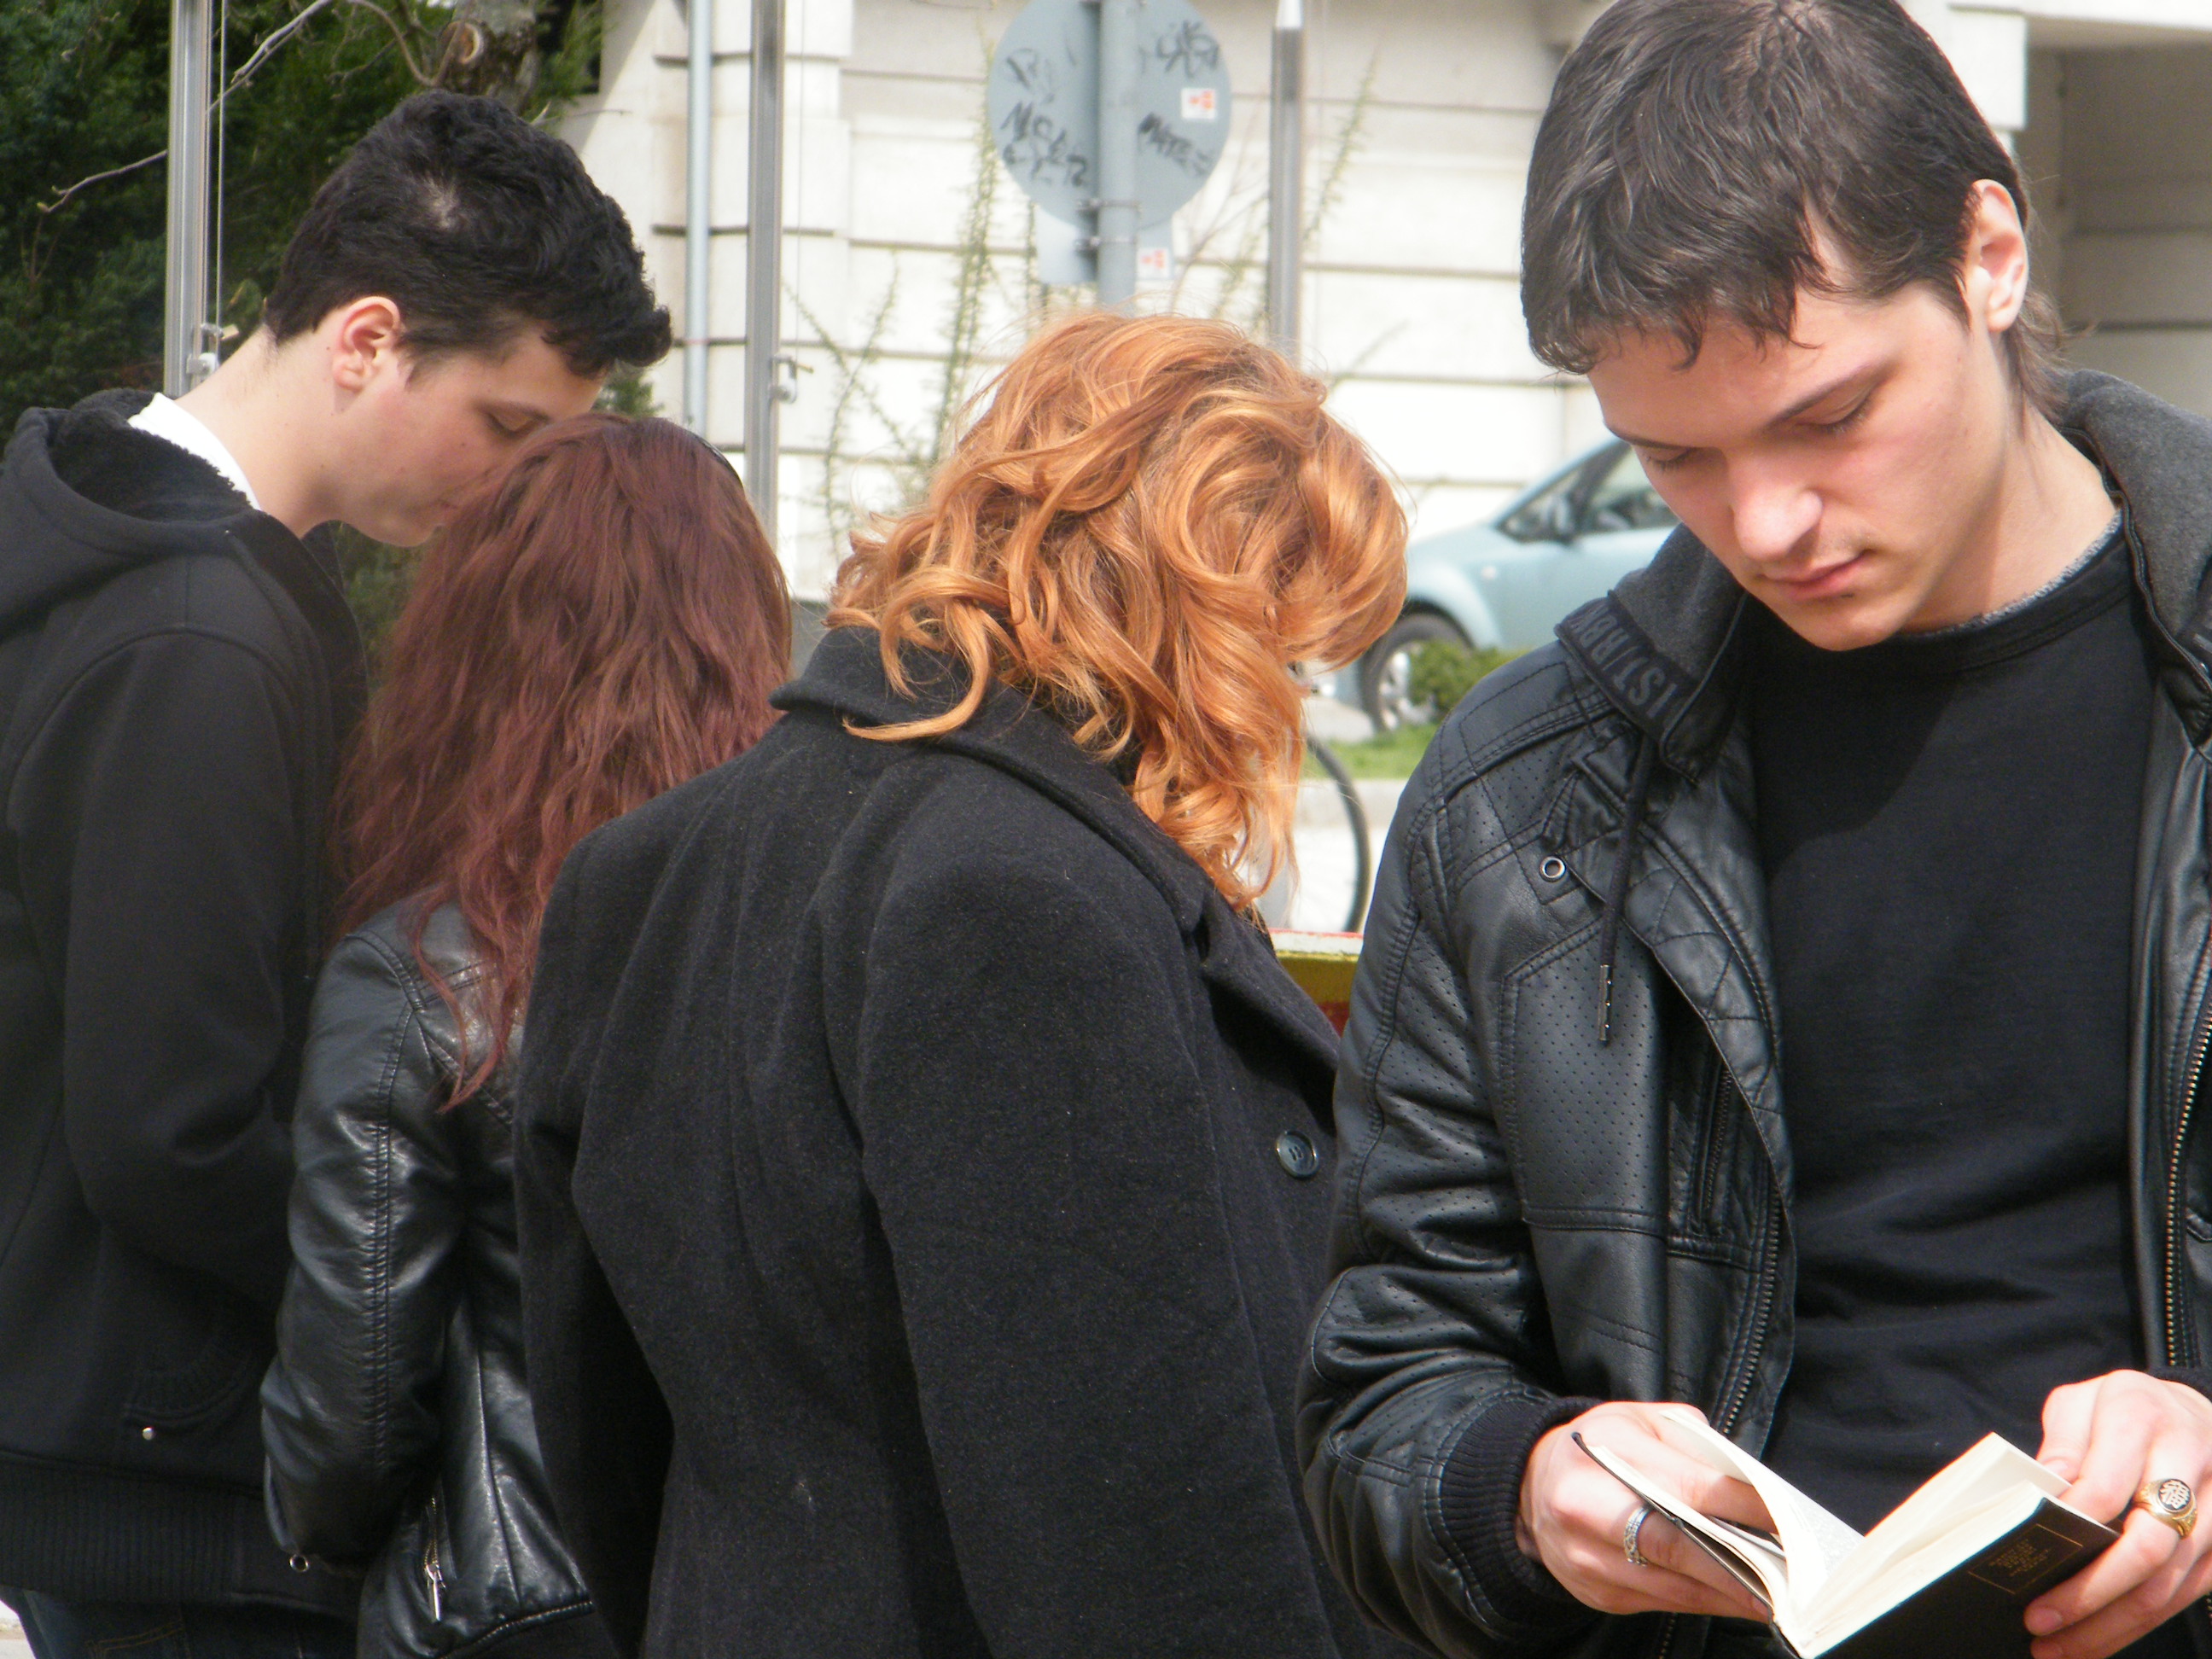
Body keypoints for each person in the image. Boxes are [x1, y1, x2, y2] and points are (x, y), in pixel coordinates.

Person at [1298, 2, 2212, 1657]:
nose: (1769, 523)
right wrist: (1526, 1487)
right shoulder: (1522, 804)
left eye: (1829, 417)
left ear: (1989, 254)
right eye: (1676, 459)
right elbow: (1382, 1406)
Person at [511, 311, 1412, 1657]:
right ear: (1196, 606)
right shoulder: (1024, 897)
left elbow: (597, 1429)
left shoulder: (643, 867)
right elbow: (1131, 1529)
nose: (1287, 694)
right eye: (1283, 642)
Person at [0, 91, 667, 1659]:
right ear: (368, 340)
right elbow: (173, 1128)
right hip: (152, 1510)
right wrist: (404, 1301)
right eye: (508, 427)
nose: (508, 485)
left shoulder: (130, 556)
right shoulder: (198, 637)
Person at [259, 414, 788, 1659]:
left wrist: (317, 1543)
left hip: (517, 1611)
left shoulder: (424, 976)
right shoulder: (814, 934)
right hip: (776, 1600)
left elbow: (351, 1419)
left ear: (475, 653)